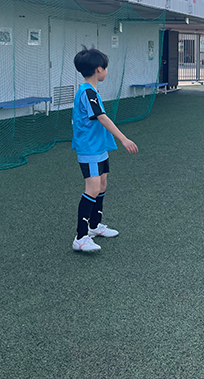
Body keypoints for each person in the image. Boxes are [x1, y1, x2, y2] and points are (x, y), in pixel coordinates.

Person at [71, 47, 138, 252]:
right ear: (99, 69)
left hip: (99, 147)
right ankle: (80, 237)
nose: (106, 71)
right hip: (89, 149)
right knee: (91, 189)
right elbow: (102, 117)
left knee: (101, 185)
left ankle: (94, 226)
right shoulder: (87, 92)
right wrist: (124, 139)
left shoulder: (91, 91)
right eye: (105, 68)